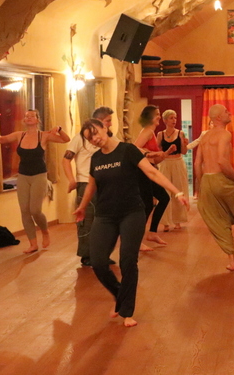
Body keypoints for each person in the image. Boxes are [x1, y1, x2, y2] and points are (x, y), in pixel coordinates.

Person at [73, 118, 188, 327]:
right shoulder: (96, 158)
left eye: (95, 133)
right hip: (105, 216)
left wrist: (176, 191)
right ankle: (120, 295)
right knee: (98, 261)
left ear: (105, 128)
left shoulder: (128, 150)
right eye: (90, 138)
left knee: (128, 260)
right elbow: (92, 185)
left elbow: (152, 172)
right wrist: (82, 206)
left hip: (132, 213)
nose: (95, 139)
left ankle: (127, 311)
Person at [0, 109, 70, 254]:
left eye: (32, 116)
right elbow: (1, 140)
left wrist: (59, 129)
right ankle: (33, 244)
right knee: (25, 211)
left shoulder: (44, 135)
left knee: (35, 210)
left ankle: (45, 231)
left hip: (39, 175)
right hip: (23, 176)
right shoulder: (19, 135)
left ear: (38, 120)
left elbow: (66, 139)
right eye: (26, 116)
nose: (28, 118)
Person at [195, 104, 234, 271]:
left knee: (218, 219)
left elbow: (197, 163)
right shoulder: (225, 134)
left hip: (207, 181)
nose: (229, 113)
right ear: (218, 118)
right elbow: (222, 161)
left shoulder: (205, 137)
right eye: (226, 112)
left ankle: (232, 261)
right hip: (221, 179)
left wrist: (201, 186)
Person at [62, 106, 113, 266]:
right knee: (87, 220)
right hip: (85, 183)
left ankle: (103, 254)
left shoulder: (109, 137)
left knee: (106, 220)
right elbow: (66, 159)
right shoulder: (80, 138)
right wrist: (72, 180)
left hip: (105, 184)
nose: (110, 124)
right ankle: (87, 255)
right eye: (107, 121)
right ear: (98, 121)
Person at [134, 105, 174, 248]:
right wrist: (149, 153)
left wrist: (166, 153)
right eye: (157, 114)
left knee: (163, 198)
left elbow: (155, 160)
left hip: (149, 170)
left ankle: (152, 232)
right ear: (150, 117)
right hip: (143, 172)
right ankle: (136, 240)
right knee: (147, 205)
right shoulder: (147, 132)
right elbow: (134, 148)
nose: (159, 117)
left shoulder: (151, 133)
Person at [156, 110, 190, 231]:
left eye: (175, 118)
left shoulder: (181, 133)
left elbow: (184, 152)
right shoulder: (160, 134)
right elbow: (158, 151)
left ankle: (177, 220)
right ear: (165, 120)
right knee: (165, 192)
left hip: (178, 162)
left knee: (179, 189)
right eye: (171, 118)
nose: (174, 120)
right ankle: (165, 222)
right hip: (165, 163)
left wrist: (185, 144)